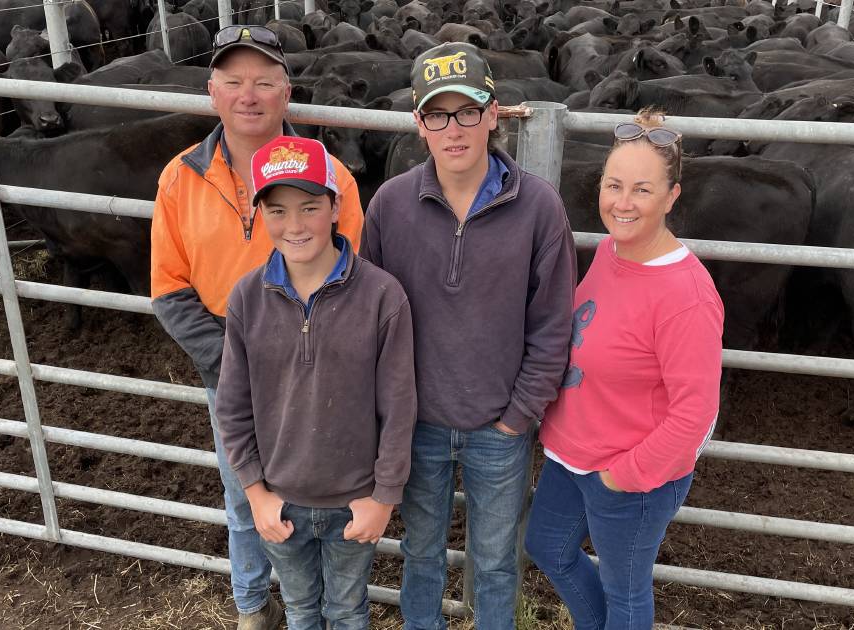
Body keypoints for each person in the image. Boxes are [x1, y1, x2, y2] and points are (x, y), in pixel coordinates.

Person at [149, 25, 364, 630]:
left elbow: (354, 278)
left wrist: (309, 356)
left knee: (323, 490)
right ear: (212, 92)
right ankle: (252, 606)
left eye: (265, 82)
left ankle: (325, 610)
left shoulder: (334, 177)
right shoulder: (180, 178)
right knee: (246, 494)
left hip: (315, 354)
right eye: (235, 81)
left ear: (286, 94)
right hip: (227, 357)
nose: (250, 95)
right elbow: (168, 287)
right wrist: (232, 364)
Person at [360, 42, 577, 630]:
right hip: (419, 423)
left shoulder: (539, 207)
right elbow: (368, 317)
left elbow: (553, 322)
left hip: (498, 428)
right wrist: (389, 413)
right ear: (419, 124)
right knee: (420, 554)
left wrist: (519, 414)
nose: (453, 128)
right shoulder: (389, 206)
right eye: (437, 114)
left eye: (466, 111)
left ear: (492, 114)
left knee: (497, 562)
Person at [523, 111, 724, 630]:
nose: (623, 202)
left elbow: (697, 413)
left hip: (630, 473)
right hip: (572, 454)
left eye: (641, 189)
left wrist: (623, 476)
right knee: (547, 547)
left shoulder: (687, 296)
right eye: (614, 185)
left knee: (625, 589)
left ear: (672, 196)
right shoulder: (612, 250)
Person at [214, 135, 417, 630]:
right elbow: (232, 407)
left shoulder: (381, 297)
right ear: (260, 214)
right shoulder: (247, 298)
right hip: (280, 500)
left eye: (309, 207)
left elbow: (399, 405)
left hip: (354, 499)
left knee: (348, 610)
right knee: (302, 609)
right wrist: (256, 494)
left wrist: (383, 497)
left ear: (335, 206)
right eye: (277, 210)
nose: (294, 225)